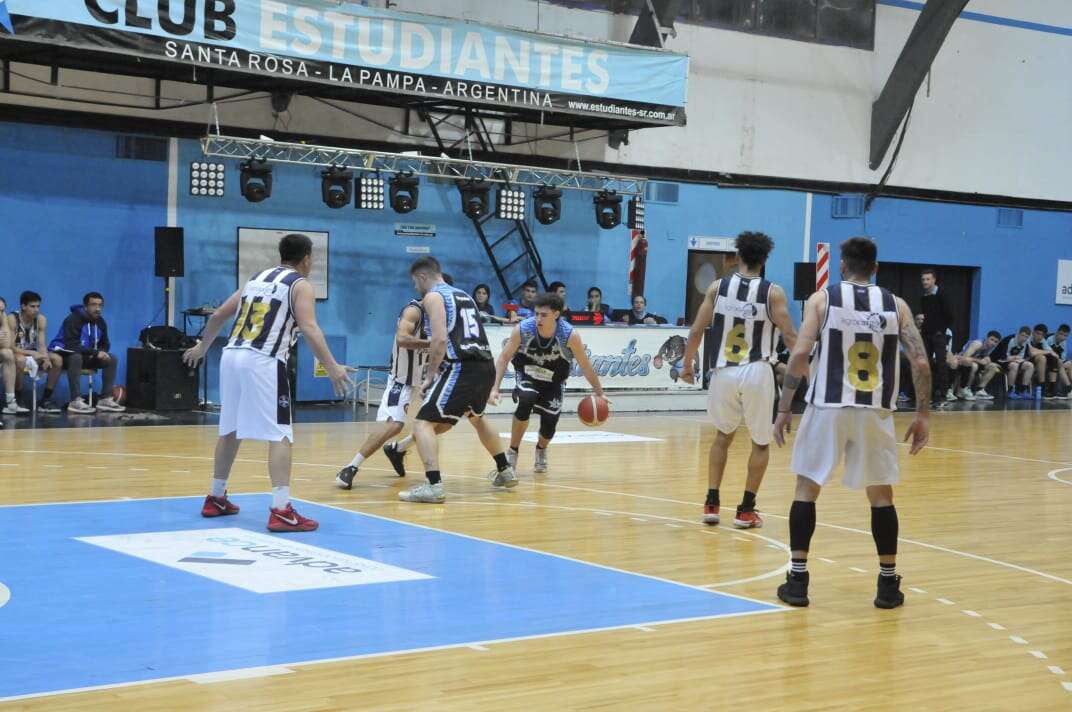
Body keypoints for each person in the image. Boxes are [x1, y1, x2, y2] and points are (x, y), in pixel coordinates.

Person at [772, 236, 931, 609]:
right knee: (880, 496)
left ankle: (798, 582)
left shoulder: (822, 299)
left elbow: (799, 355)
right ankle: (888, 586)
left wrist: (783, 409)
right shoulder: (897, 306)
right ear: (875, 268)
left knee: (806, 489)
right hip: (874, 411)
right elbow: (920, 362)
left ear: (842, 265)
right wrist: (923, 414)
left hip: (827, 406)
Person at [183, 234, 354, 532]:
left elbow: (220, 314)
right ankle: (281, 509)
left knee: (230, 429)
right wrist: (332, 367)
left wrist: (201, 347)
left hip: (231, 355)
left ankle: (216, 496)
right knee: (280, 434)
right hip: (263, 360)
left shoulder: (256, 278)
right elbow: (310, 328)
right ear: (307, 258)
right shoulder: (300, 285)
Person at [680, 231, 798, 529]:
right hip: (757, 370)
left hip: (724, 371)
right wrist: (805, 366)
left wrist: (686, 364)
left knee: (723, 436)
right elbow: (790, 335)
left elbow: (696, 330)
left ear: (738, 257)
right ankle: (745, 510)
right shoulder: (774, 293)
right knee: (760, 443)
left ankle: (711, 502)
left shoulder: (718, 287)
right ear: (765, 259)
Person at [398, 256, 517, 503]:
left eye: (415, 283)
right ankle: (505, 470)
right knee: (477, 418)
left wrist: (430, 375)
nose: (416, 289)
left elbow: (439, 340)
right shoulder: (465, 295)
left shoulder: (433, 296)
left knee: (422, 424)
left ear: (422, 277)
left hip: (461, 366)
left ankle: (433, 486)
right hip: (484, 365)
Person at [489, 292, 605, 474]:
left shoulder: (569, 335)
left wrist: (599, 393)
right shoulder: (523, 329)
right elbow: (503, 358)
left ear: (556, 315)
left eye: (543, 315)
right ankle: (513, 451)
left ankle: (541, 449)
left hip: (554, 381)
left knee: (549, 425)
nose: (538, 318)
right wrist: (495, 388)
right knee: (526, 399)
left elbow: (586, 366)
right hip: (528, 374)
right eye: (536, 314)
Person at [335, 297, 429, 488]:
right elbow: (403, 339)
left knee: (439, 422)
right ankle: (350, 467)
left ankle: (398, 449)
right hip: (402, 380)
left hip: (425, 379)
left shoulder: (443, 315)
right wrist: (434, 343)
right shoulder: (414, 310)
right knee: (393, 425)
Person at [47, 292, 125, 414]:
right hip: (67, 356)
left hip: (88, 356)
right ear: (85, 306)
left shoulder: (100, 322)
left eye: (100, 305)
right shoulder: (72, 319)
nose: (98, 308)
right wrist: (94, 352)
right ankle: (75, 401)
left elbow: (105, 344)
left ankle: (105, 399)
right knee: (76, 357)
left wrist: (101, 352)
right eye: (94, 305)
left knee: (112, 358)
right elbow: (71, 345)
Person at [7, 291, 64, 413]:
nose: (36, 310)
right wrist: (32, 353)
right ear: (23, 306)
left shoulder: (41, 319)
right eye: (32, 306)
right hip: (17, 353)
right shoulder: (12, 318)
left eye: (38, 306)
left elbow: (42, 345)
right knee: (20, 360)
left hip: (33, 354)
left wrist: (46, 358)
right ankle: (18, 397)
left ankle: (45, 400)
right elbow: (10, 346)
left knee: (57, 360)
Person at [919, 268, 953, 405]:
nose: (925, 282)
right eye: (923, 279)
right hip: (926, 335)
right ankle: (929, 394)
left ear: (934, 280)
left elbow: (950, 316)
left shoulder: (943, 294)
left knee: (941, 364)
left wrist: (941, 330)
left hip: (938, 335)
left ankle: (943, 395)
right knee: (926, 365)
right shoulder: (924, 297)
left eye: (928, 279)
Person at [0, 297, 28, 415]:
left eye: (1, 310)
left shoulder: (3, 317)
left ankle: (11, 402)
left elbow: (6, 344)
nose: (0, 313)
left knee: (8, 353)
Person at [958, 330, 1004, 400]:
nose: (993, 343)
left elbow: (984, 359)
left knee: (993, 367)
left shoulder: (991, 348)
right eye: (991, 339)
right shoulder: (978, 344)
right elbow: (964, 357)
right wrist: (980, 361)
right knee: (974, 366)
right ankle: (966, 389)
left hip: (975, 362)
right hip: (962, 361)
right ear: (986, 338)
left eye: (995, 342)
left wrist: (988, 361)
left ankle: (979, 390)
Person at [998, 326, 1034, 399]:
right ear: (1018, 334)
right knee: (1014, 365)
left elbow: (1023, 357)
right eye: (1022, 335)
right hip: (1003, 361)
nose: (1023, 339)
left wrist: (1020, 359)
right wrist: (1013, 358)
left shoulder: (1026, 343)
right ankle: (1010, 390)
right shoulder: (1009, 340)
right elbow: (1002, 356)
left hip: (1016, 361)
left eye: (1026, 337)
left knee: (1030, 365)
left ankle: (1023, 390)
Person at [1028, 324, 1062, 398]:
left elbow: (1053, 353)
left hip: (1034, 362)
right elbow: (1031, 353)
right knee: (1042, 358)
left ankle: (1051, 389)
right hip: (1024, 360)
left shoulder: (1042, 340)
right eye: (1038, 334)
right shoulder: (1028, 338)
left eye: (1042, 335)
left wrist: (1047, 352)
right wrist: (1046, 352)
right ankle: (1041, 387)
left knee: (1054, 359)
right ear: (1033, 332)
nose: (1040, 337)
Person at [1045, 324, 1071, 399]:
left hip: (1057, 363)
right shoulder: (1049, 339)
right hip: (1046, 362)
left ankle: (1069, 388)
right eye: (1062, 335)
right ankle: (1068, 388)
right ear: (1057, 332)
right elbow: (1045, 352)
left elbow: (1063, 358)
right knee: (1057, 362)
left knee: (1069, 363)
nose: (1063, 338)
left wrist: (1061, 362)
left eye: (1066, 336)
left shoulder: (1063, 343)